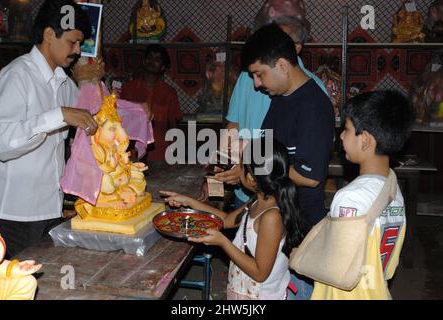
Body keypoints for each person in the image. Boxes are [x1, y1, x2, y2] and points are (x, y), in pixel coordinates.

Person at [0, 0, 96, 258]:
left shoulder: (65, 83)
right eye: (72, 42)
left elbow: (92, 115)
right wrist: (58, 115)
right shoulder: (17, 75)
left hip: (52, 210)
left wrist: (132, 111)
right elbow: (1, 142)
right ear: (50, 34)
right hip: (15, 216)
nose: (76, 50)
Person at [161, 139, 306, 300]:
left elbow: (260, 273)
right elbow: (226, 219)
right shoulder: (258, 200)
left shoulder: (271, 217)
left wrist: (224, 242)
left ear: (250, 177)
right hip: (244, 291)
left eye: (242, 166)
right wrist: (189, 202)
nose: (238, 169)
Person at [212, 16, 329, 208]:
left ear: (282, 65)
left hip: (296, 218)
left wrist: (247, 168)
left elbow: (309, 178)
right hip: (268, 206)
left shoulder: (313, 106)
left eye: (259, 75)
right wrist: (235, 162)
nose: (256, 84)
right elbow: (264, 151)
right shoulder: (280, 97)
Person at [311, 90, 413, 299]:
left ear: (365, 140)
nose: (341, 136)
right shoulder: (394, 190)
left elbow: (335, 265)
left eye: (346, 129)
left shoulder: (350, 198)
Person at [120, 44, 182, 161]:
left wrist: (174, 152)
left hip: (160, 153)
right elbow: (120, 119)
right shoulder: (128, 88)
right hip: (132, 153)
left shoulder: (169, 93)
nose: (152, 61)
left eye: (157, 59)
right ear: (144, 61)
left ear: (163, 67)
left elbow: (173, 125)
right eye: (150, 57)